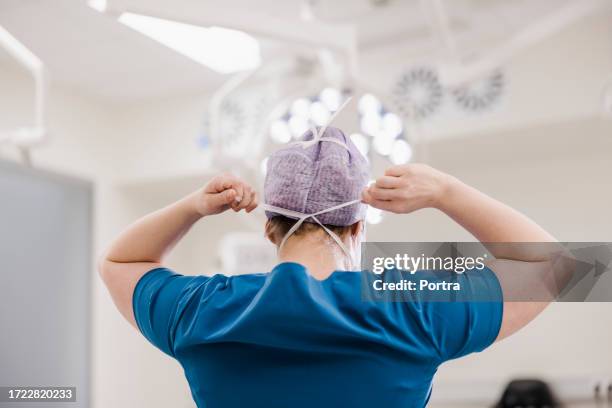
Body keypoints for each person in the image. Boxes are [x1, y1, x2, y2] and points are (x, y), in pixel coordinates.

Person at [100, 126, 565, 408]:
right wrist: (446, 191)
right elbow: (556, 264)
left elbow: (119, 262)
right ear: (358, 230)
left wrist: (195, 205)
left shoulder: (202, 310)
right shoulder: (409, 308)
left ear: (269, 230)